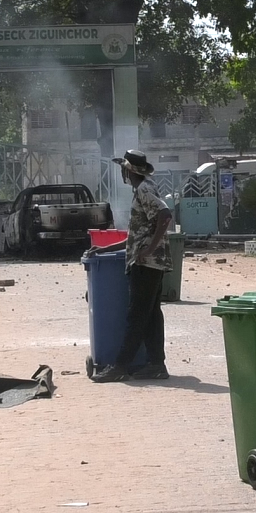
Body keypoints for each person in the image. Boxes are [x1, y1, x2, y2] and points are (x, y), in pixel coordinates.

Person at [87, 150, 174, 382]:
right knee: (151, 315)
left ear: (129, 171)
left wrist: (148, 250)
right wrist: (105, 248)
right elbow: (138, 234)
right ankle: (156, 365)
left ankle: (120, 366)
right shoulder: (144, 189)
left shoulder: (144, 189)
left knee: (137, 315)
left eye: (123, 169)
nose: (122, 172)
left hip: (146, 263)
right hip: (152, 262)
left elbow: (165, 215)